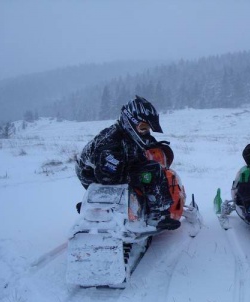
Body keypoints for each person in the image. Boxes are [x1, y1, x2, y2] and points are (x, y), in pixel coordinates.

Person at [75, 95, 180, 230]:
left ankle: (144, 205)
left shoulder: (128, 134)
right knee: (150, 173)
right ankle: (157, 215)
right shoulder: (110, 143)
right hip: (96, 175)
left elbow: (146, 141)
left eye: (147, 128)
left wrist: (157, 146)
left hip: (113, 167)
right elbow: (108, 177)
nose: (145, 132)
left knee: (146, 170)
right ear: (130, 121)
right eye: (143, 128)